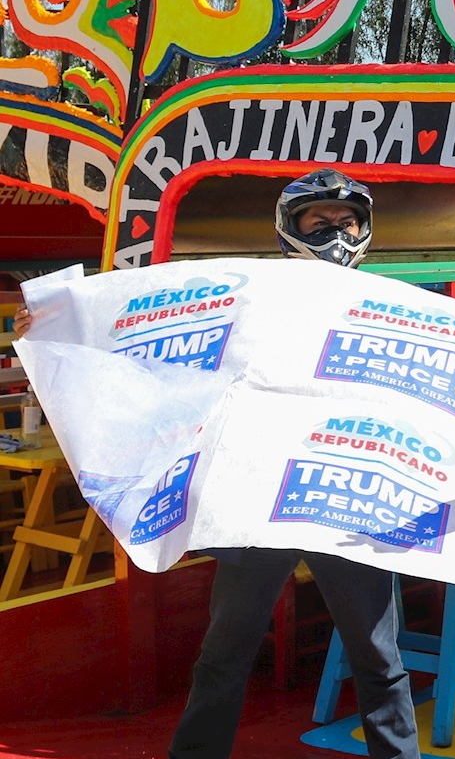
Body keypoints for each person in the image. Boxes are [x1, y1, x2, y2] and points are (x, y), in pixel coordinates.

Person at [15, 170, 420, 759]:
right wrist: (53, 331)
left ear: (365, 230)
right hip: (255, 501)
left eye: (346, 222)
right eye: (319, 222)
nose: (335, 233)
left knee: (380, 658)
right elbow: (144, 334)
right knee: (224, 655)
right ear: (290, 230)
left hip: (344, 500)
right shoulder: (244, 295)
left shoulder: (391, 306)